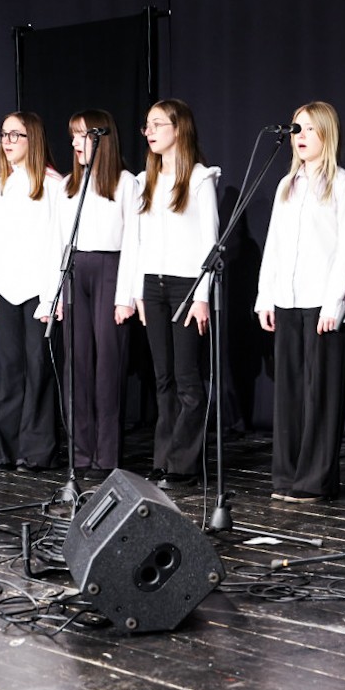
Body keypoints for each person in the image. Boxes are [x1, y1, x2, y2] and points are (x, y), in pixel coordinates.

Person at [255, 101, 345, 502]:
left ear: (326, 134)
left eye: (310, 129)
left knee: (321, 394)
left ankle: (314, 481)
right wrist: (266, 296)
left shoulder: (342, 185)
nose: (300, 136)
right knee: (290, 392)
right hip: (288, 298)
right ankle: (286, 476)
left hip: (322, 302)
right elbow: (275, 245)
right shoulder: (288, 184)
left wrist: (335, 304)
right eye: (296, 128)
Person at [128, 99, 218, 487]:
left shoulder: (199, 178)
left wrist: (202, 296)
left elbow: (210, 242)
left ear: (178, 129)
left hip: (186, 286)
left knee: (186, 379)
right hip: (153, 285)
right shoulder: (145, 179)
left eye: (157, 124)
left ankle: (184, 463)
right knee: (162, 377)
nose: (149, 132)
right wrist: (137, 292)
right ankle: (163, 458)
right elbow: (140, 241)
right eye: (147, 125)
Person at [57, 109, 140, 477]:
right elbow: (58, 242)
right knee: (77, 365)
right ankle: (80, 453)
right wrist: (55, 294)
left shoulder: (125, 183)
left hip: (110, 270)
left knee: (107, 366)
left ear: (101, 138)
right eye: (73, 135)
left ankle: (107, 455)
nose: (76, 143)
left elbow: (134, 241)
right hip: (75, 271)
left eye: (83, 135)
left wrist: (125, 296)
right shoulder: (67, 186)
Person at [0, 111, 60, 472]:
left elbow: (57, 244)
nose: (8, 141)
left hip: (37, 290)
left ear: (34, 139)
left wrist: (51, 296)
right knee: (11, 367)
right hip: (5, 287)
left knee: (38, 367)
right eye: (4, 134)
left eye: (16, 134)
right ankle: (9, 448)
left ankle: (37, 451)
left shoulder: (52, 184)